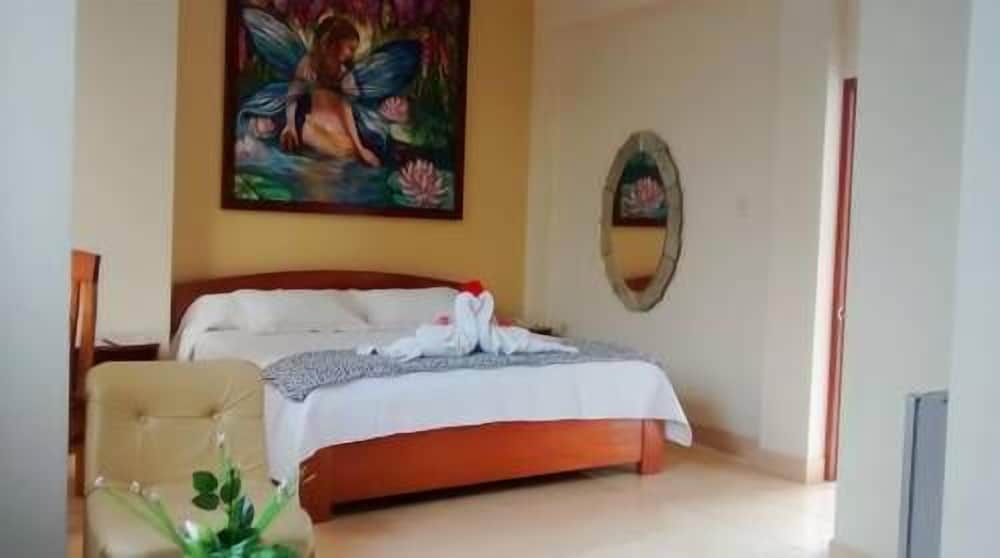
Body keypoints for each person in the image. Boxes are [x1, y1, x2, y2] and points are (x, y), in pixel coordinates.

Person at [279, 17, 381, 167]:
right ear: (334, 44)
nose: (351, 54)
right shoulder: (309, 64)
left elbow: (347, 111)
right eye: (350, 48)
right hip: (313, 131)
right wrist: (290, 126)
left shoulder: (344, 74)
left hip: (335, 135)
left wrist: (360, 149)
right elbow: (292, 96)